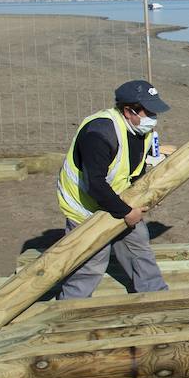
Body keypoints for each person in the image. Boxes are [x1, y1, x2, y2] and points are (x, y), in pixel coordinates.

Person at [56, 80, 176, 299]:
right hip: (86, 208)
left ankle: (156, 296)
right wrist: (127, 212)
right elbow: (96, 184)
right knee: (91, 263)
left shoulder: (141, 132)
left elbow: (133, 169)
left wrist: (146, 196)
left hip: (119, 199)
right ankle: (69, 307)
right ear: (128, 110)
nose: (153, 118)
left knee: (139, 247)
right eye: (147, 111)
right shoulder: (99, 134)